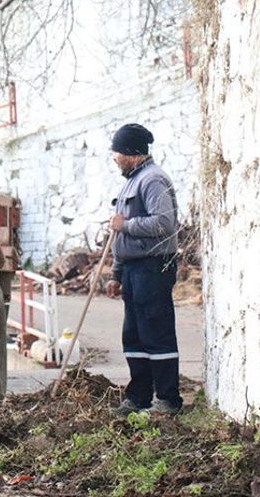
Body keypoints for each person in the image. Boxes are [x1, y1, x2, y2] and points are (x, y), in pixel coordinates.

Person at [104, 123, 183, 416]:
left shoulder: (153, 180)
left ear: (133, 153)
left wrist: (124, 224)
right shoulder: (131, 180)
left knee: (156, 332)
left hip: (153, 267)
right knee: (134, 335)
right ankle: (138, 397)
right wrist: (116, 273)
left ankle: (168, 400)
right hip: (133, 269)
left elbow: (164, 224)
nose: (114, 157)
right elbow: (121, 237)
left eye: (118, 151)